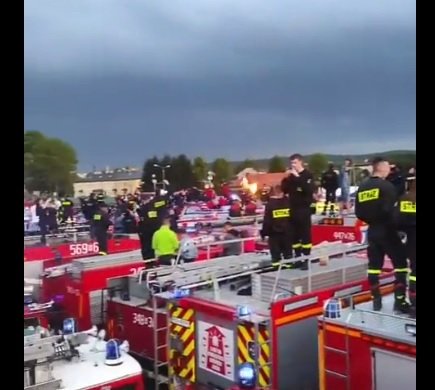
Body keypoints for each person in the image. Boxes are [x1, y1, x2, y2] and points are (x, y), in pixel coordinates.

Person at [354, 157, 409, 313]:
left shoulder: (362, 187)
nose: (389, 170)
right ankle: (399, 302)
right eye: (388, 168)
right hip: (388, 230)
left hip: (372, 232)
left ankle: (376, 300)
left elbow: (358, 212)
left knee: (374, 268)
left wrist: (372, 220)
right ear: (382, 168)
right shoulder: (387, 187)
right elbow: (392, 211)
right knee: (400, 265)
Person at [281, 153, 315, 269]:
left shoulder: (308, 175)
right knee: (294, 236)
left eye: (295, 162)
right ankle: (298, 257)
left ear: (301, 162)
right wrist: (286, 178)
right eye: (291, 163)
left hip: (304, 209)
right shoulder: (291, 177)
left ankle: (306, 259)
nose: (293, 165)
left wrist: (297, 177)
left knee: (305, 235)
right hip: (292, 209)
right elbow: (284, 190)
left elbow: (308, 190)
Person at [396, 177, 416, 317]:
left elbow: (398, 220)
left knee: (413, 271)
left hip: (410, 241)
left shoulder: (405, 198)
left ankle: (412, 303)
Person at [261, 184, 292, 267]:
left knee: (275, 256)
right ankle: (289, 267)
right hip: (287, 233)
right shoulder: (289, 202)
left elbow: (267, 221)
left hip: (274, 234)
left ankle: (276, 269)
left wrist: (264, 233)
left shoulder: (270, 205)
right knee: (288, 254)